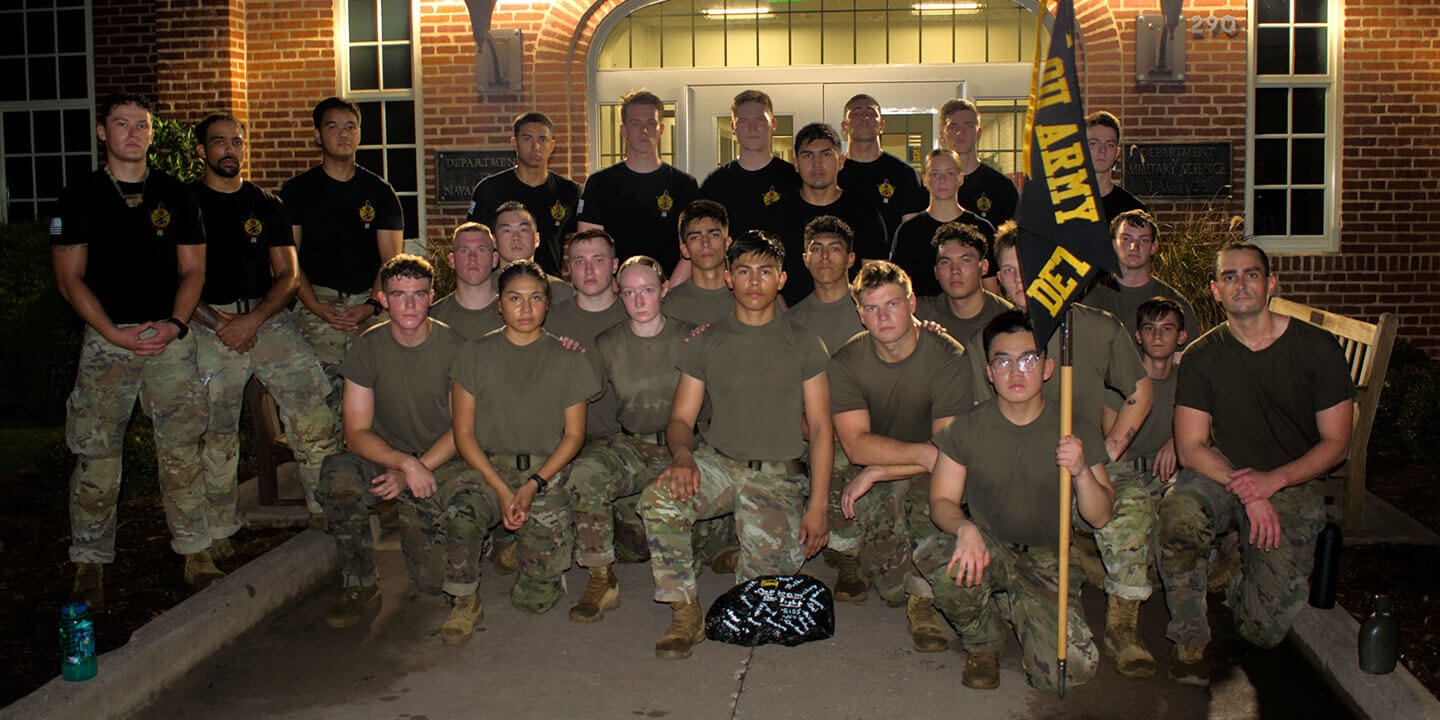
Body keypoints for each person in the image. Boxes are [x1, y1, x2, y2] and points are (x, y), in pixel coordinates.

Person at [1158, 241, 1352, 686]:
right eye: (1229, 276)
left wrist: (1273, 482)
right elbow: (1190, 447)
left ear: (1271, 285)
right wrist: (1250, 489)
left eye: (1250, 274)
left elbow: (1337, 442)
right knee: (1180, 511)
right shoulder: (1205, 357)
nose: (1240, 284)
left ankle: (1236, 564)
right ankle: (1189, 637)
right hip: (1224, 473)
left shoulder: (1316, 349)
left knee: (1261, 631)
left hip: (1292, 480)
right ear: (1215, 291)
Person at [52, 92, 220, 609]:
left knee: (181, 448)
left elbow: (193, 269)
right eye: (120, 124)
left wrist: (174, 324)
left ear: (151, 133)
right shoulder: (80, 195)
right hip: (107, 341)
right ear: (102, 132)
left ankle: (195, 551)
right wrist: (113, 333)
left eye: (141, 125)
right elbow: (69, 278)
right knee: (97, 454)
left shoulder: (176, 194)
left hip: (168, 340)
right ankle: (89, 561)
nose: (131, 133)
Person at [640, 230, 833, 660]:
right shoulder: (706, 341)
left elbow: (821, 429)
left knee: (758, 595)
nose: (754, 281)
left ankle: (742, 544)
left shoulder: (804, 342)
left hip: (778, 477)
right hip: (719, 464)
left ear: (782, 279)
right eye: (743, 271)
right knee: (659, 499)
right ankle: (684, 610)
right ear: (728, 277)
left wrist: (818, 506)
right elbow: (680, 419)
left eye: (766, 271)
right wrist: (684, 455)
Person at [988, 222, 1158, 677]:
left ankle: (1123, 624)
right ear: (998, 279)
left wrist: (1114, 445)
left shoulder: (1098, 328)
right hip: (1021, 473)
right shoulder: (992, 340)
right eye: (1008, 272)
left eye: (1028, 268)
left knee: (1129, 503)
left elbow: (1140, 389)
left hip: (1087, 463)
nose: (1020, 281)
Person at [916, 310, 1114, 690]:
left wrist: (1081, 471)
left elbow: (1101, 516)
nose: (1015, 372)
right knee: (941, 558)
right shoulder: (966, 429)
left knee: (1067, 671)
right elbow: (941, 499)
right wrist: (965, 527)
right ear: (989, 373)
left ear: (1047, 367)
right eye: (1002, 361)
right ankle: (982, 643)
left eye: (1027, 359)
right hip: (990, 546)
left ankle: (1020, 607)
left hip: (1047, 557)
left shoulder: (1075, 427)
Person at [316, 255, 493, 644]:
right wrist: (401, 464)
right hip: (387, 454)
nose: (409, 305)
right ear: (382, 298)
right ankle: (359, 579)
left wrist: (414, 468)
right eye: (398, 295)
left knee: (432, 582)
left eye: (418, 295)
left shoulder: (456, 348)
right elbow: (356, 432)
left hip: (444, 455)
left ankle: (465, 587)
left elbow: (462, 428)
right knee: (338, 477)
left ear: (431, 297)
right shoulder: (367, 348)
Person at [189, 112, 340, 542]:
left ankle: (323, 512)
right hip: (207, 324)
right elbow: (172, 277)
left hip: (268, 320)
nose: (230, 149)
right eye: (219, 142)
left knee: (314, 411)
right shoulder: (185, 205)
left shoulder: (266, 205)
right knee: (216, 432)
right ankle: (219, 532)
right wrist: (221, 323)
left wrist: (253, 319)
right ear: (201, 150)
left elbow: (289, 275)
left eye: (237, 141)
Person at [827, 260, 972, 652]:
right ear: (860, 314)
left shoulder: (948, 356)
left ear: (911, 303)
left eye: (892, 304)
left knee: (934, 512)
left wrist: (879, 471)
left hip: (926, 465)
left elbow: (947, 450)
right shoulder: (845, 361)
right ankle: (850, 552)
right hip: (894, 452)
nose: (882, 316)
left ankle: (922, 603)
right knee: (888, 586)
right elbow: (856, 444)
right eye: (871, 308)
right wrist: (914, 457)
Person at [452, 260, 600, 614]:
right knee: (462, 511)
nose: (526, 308)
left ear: (548, 304)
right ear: (499, 304)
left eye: (535, 298)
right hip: (489, 469)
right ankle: (463, 599)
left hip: (545, 473)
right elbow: (463, 433)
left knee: (534, 601)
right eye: (515, 299)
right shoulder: (474, 354)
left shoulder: (568, 357)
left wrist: (533, 484)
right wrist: (502, 491)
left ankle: (526, 548)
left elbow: (574, 435)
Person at [281, 97, 403, 415]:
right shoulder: (297, 191)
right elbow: (287, 262)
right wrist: (316, 307)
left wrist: (372, 305)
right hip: (315, 305)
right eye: (333, 126)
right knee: (318, 406)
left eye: (351, 126)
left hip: (369, 305)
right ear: (318, 135)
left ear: (360, 133)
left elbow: (391, 260)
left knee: (382, 402)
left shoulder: (380, 192)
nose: (343, 134)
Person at [577, 90, 700, 278]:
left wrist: (671, 288)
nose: (644, 130)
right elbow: (589, 248)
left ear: (661, 128)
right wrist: (611, 289)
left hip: (671, 291)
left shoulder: (684, 185)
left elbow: (694, 246)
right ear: (623, 129)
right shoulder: (599, 184)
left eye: (651, 123)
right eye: (635, 123)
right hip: (616, 293)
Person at [768, 123, 887, 305]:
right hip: (792, 322)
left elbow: (875, 278)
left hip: (854, 319)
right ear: (796, 164)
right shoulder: (777, 214)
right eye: (808, 156)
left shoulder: (865, 213)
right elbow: (767, 275)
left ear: (841, 161)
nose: (817, 164)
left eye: (826, 154)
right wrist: (788, 321)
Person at [466, 112, 578, 277]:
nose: (536, 146)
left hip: (550, 286)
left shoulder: (568, 191)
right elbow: (473, 241)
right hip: (500, 286)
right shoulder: (489, 190)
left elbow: (583, 240)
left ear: (552, 145)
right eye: (527, 139)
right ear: (514, 143)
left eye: (542, 139)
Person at [546, 229, 628, 439]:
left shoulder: (636, 314)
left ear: (615, 265)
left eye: (598, 260)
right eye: (580, 261)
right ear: (569, 268)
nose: (589, 270)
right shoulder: (547, 321)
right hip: (564, 440)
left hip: (629, 440)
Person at [890, 149, 996, 297]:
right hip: (924, 316)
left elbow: (991, 290)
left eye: (950, 173)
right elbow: (899, 289)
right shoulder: (908, 232)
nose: (942, 180)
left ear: (961, 179)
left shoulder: (982, 228)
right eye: (934, 174)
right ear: (925, 180)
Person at [1084, 209, 1200, 341]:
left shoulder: (1175, 302)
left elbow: (1192, 358)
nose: (1134, 246)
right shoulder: (1092, 296)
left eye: (1143, 240)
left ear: (1154, 247)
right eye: (1126, 239)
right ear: (1114, 244)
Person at [699, 89, 801, 238]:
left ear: (773, 124)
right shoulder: (715, 184)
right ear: (733, 127)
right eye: (743, 121)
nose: (752, 127)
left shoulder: (794, 179)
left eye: (760, 120)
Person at [1112, 297, 1189, 484]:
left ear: (1181, 337)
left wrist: (1177, 442)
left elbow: (1208, 428)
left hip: (1173, 475)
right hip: (1127, 475)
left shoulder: (1189, 382)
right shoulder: (1121, 382)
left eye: (1167, 328)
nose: (1157, 335)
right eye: (1149, 328)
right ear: (1138, 336)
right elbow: (1114, 450)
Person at [836, 93, 927, 241]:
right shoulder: (833, 172)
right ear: (844, 126)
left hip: (888, 262)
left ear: (882, 126)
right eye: (856, 113)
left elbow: (911, 234)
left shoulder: (904, 173)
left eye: (871, 113)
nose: (864, 117)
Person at [915, 222, 1012, 345]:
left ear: (984, 267)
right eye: (945, 262)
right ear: (936, 272)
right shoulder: (920, 314)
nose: (955, 270)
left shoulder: (1007, 319)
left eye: (965, 261)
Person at [786, 216, 862, 355]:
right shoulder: (792, 321)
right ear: (806, 259)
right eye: (816, 249)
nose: (824, 256)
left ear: (850, 259)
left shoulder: (872, 309)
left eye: (834, 249)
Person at [941, 98, 1018, 227]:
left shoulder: (1002, 187)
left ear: (979, 133)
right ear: (942, 135)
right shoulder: (931, 187)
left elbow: (1012, 241)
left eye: (968, 125)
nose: (960, 133)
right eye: (953, 127)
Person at [663, 199, 735, 326]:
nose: (705, 243)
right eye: (695, 237)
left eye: (714, 235)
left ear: (727, 242)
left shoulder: (750, 296)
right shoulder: (669, 306)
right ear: (685, 250)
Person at [430, 222, 503, 340]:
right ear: (452, 260)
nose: (472, 257)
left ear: (494, 259)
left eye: (481, 250)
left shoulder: (515, 314)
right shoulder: (432, 317)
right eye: (464, 250)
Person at [1086, 111, 1150, 224]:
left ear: (1117, 153)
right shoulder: (1062, 205)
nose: (1102, 151)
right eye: (1094, 144)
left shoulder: (1132, 209)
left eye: (1109, 145)